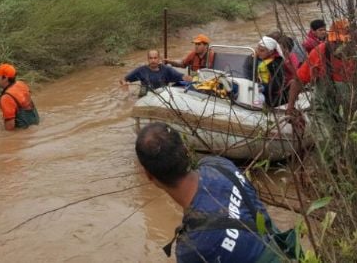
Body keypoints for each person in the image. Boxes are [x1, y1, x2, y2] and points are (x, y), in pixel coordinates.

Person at [135, 121, 301, 262]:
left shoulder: (192, 247)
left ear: (148, 175)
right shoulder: (218, 164)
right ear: (186, 149)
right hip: (289, 252)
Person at [285, 19, 357, 158]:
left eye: (343, 42)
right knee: (326, 141)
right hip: (324, 109)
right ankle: (334, 168)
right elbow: (298, 81)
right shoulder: (320, 52)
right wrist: (290, 107)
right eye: (335, 41)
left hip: (356, 111)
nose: (338, 46)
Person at [0, 63, 40, 131]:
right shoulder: (21, 84)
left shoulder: (6, 98)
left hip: (23, 131)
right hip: (36, 122)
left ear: (5, 78)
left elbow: (10, 127)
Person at [121, 49, 192, 91]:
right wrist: (124, 84)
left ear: (159, 59)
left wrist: (191, 79)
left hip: (162, 96)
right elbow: (123, 79)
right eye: (151, 58)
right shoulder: (141, 70)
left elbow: (182, 77)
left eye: (155, 58)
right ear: (147, 59)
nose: (153, 60)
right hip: (144, 96)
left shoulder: (166, 69)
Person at [255, 36, 295, 107]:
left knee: (256, 101)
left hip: (273, 96)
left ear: (270, 51)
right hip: (263, 89)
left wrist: (263, 88)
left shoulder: (275, 63)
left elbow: (276, 84)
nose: (258, 52)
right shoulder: (261, 59)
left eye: (262, 51)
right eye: (258, 49)